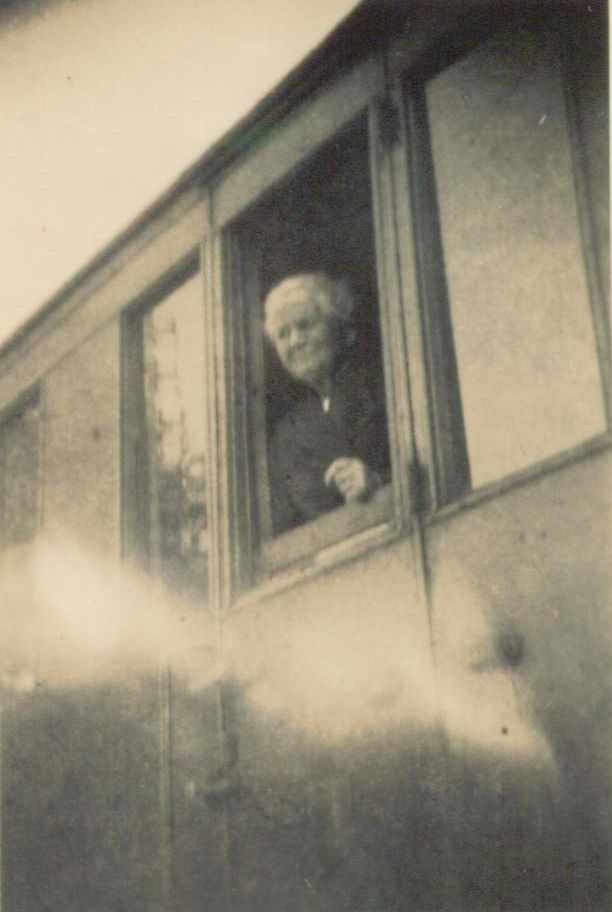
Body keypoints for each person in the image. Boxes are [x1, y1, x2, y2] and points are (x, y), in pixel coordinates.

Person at [264, 272, 390, 535]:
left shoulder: (384, 385)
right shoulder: (288, 433)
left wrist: (379, 481)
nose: (295, 341)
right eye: (283, 334)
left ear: (338, 326)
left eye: (305, 326)